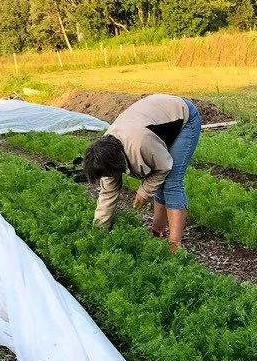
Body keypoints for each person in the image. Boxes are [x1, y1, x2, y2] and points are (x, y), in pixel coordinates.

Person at [82, 93, 202, 248]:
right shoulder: (104, 154)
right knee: (159, 181)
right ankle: (157, 231)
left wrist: (143, 192)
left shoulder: (140, 143)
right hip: (151, 120)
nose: (108, 176)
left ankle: (175, 244)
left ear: (115, 164)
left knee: (172, 181)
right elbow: (107, 193)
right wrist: (99, 233)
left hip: (182, 115)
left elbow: (164, 166)